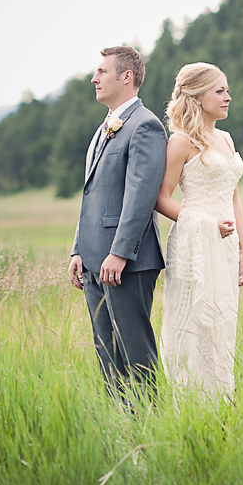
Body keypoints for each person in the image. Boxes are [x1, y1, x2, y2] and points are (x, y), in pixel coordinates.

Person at [68, 46, 167, 403]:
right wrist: (78, 250)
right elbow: (93, 194)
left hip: (127, 262)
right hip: (94, 260)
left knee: (135, 354)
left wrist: (120, 253)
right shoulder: (104, 128)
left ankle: (151, 424)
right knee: (108, 356)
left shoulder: (145, 125)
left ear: (126, 77)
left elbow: (141, 197)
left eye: (102, 72)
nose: (94, 79)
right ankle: (121, 424)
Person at [155, 62, 243, 399]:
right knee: (192, 322)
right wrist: (206, 224)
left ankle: (221, 399)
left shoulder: (226, 139)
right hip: (194, 242)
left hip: (225, 245)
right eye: (219, 91)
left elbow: (234, 198)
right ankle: (188, 401)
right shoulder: (181, 142)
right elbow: (161, 198)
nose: (228, 97)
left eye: (227, 90)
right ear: (197, 97)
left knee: (221, 322)